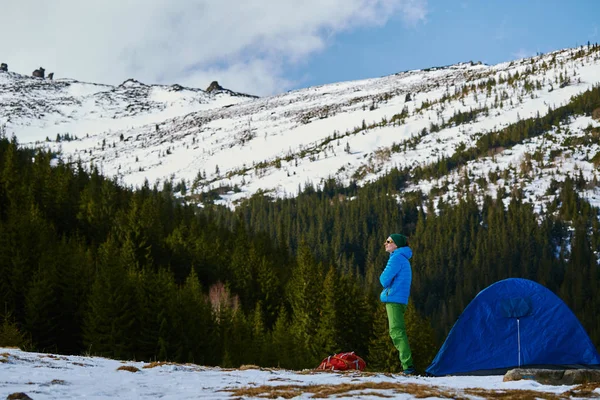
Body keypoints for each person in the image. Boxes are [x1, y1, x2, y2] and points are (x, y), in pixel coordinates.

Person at [380, 233, 414, 375]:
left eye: (388, 241)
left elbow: (383, 279)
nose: (385, 243)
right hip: (400, 300)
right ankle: (407, 366)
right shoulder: (403, 258)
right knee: (398, 331)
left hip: (394, 299)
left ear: (396, 245)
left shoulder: (396, 259)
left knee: (397, 332)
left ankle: (408, 367)